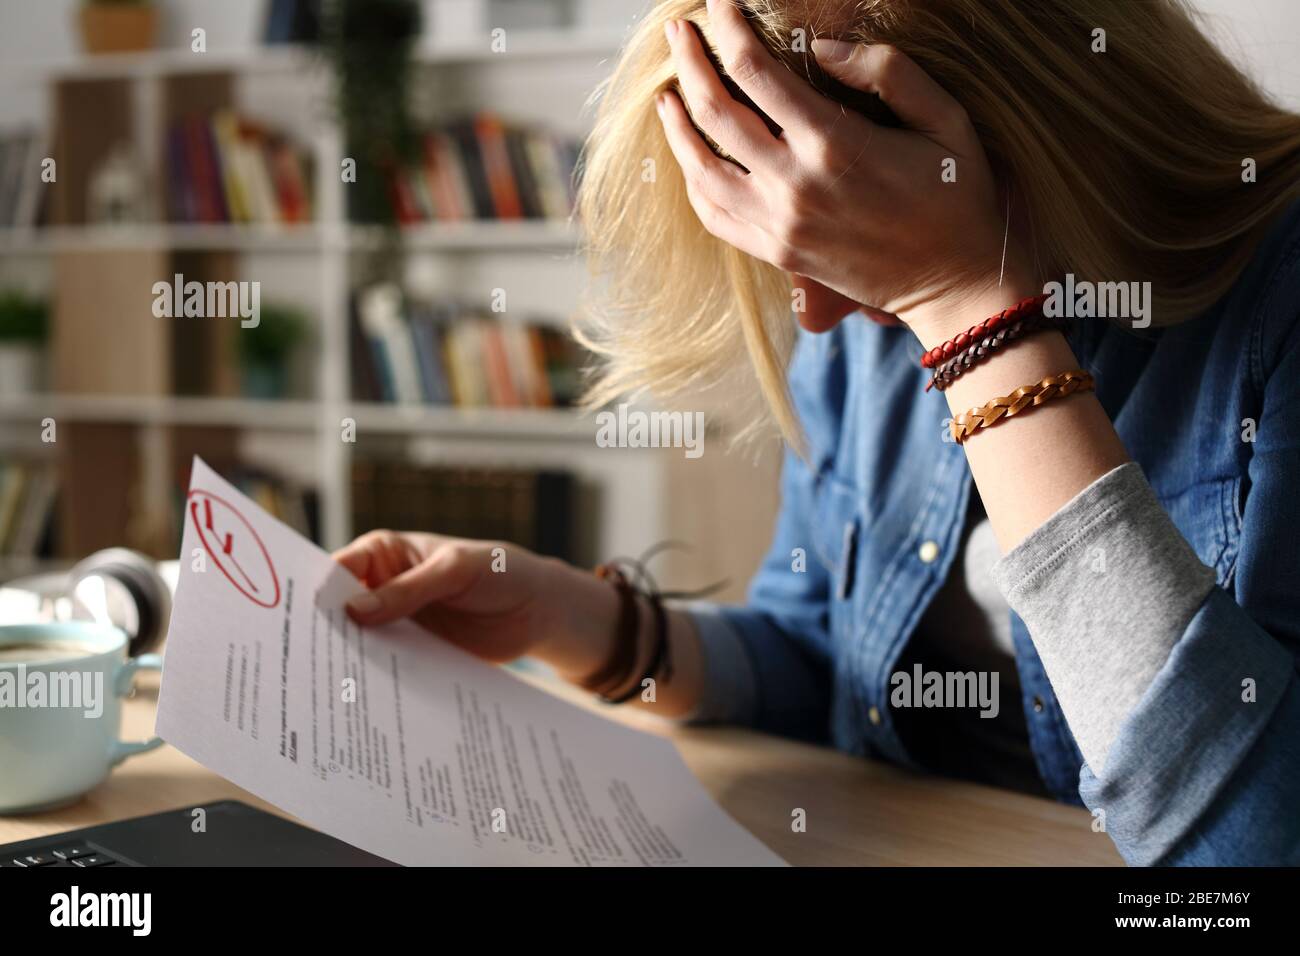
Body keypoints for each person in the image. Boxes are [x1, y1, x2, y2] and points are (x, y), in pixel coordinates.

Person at [334, 0, 1300, 866]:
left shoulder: (1276, 296)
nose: (814, 313)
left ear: (1036, 124)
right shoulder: (870, 321)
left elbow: (1259, 841)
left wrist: (969, 314)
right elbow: (822, 664)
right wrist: (578, 622)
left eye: (841, 227)